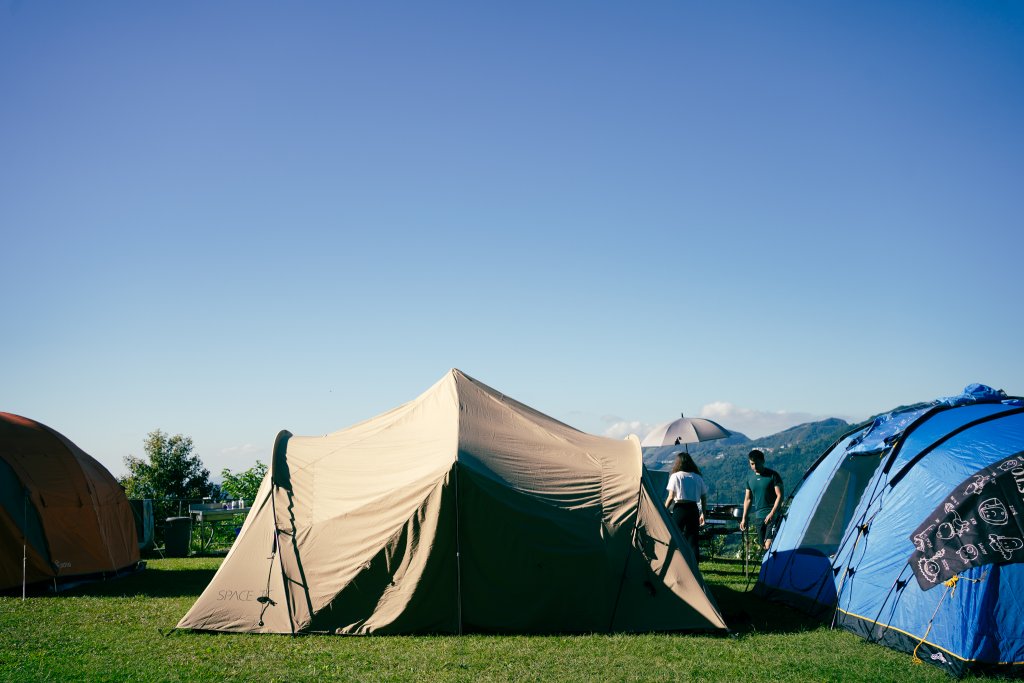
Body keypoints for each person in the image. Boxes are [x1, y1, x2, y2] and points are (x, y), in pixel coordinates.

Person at [664, 452, 708, 561]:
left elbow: (670, 497)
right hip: (693, 509)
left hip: (680, 509)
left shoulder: (675, 476)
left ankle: (675, 562)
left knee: (675, 537)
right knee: (693, 539)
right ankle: (694, 567)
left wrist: (664, 509)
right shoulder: (697, 477)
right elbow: (704, 497)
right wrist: (703, 513)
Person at [739, 448, 784, 551]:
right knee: (763, 546)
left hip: (773, 516)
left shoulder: (773, 475)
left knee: (769, 544)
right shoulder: (750, 479)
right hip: (759, 517)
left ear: (763, 461)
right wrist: (744, 518)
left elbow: (780, 496)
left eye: (757, 463)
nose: (754, 467)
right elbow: (748, 499)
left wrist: (772, 513)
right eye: (752, 464)